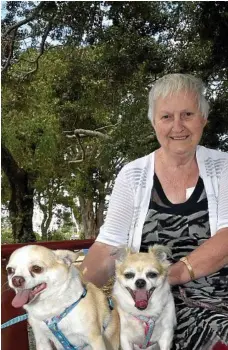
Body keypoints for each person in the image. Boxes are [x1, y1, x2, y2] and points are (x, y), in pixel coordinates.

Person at [81, 74, 228, 349]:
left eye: (187, 114)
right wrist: (73, 289)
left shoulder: (225, 168)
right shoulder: (132, 175)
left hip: (215, 298)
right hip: (146, 303)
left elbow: (227, 237)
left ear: (203, 119)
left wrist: (169, 275)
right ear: (153, 122)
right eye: (166, 117)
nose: (177, 126)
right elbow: (108, 246)